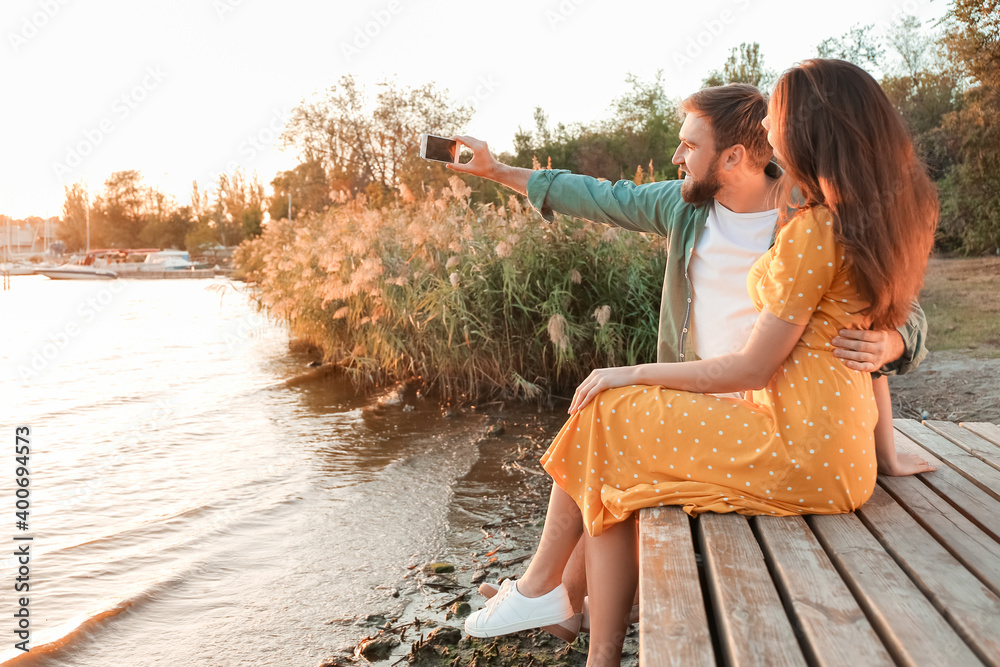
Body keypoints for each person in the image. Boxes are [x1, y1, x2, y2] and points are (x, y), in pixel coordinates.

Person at [451, 60, 939, 666]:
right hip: (731, 401)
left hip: (765, 408)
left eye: (688, 145)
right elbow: (601, 196)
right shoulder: (692, 208)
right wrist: (499, 170)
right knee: (611, 448)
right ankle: (559, 602)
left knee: (611, 441)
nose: (675, 156)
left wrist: (894, 346)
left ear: (735, 156)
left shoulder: (808, 216)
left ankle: (553, 599)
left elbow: (888, 312)